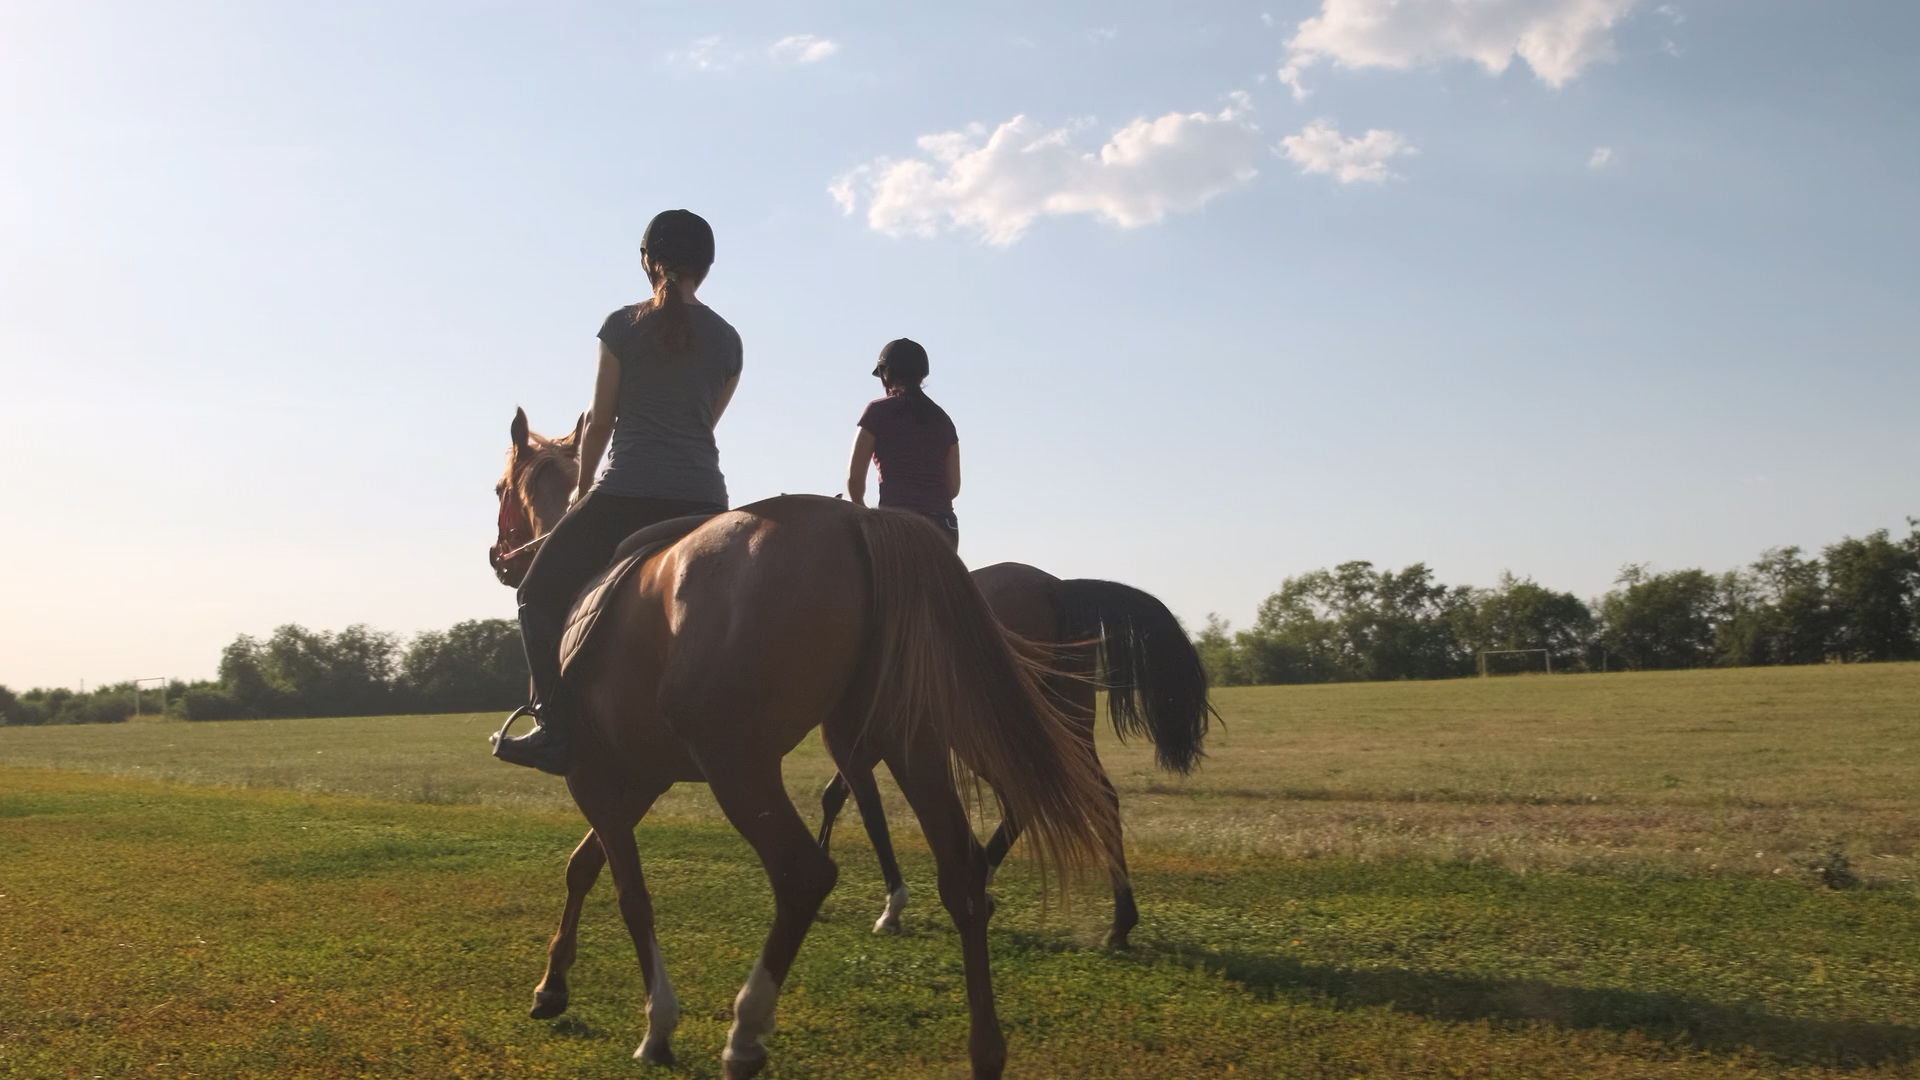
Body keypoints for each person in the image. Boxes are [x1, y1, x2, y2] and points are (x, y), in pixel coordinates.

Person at [494, 209, 742, 775]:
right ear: (706, 268)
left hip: (627, 494)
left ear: (647, 262)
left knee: (535, 594)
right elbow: (705, 424)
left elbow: (601, 422)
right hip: (705, 501)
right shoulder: (729, 341)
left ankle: (555, 730)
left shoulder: (621, 327)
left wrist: (581, 493)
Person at [846, 338, 961, 549]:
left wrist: (862, 510)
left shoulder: (876, 412)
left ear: (885, 374)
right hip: (944, 527)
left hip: (897, 526)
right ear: (922, 375)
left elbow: (854, 479)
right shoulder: (944, 420)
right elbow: (953, 488)